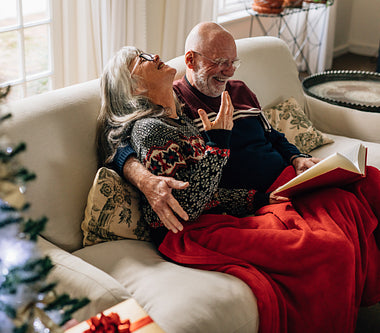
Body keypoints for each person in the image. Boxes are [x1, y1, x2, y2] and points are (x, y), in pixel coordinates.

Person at [98, 46, 380, 333]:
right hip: (192, 233)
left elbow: (207, 192)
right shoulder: (151, 128)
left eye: (233, 61)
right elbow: (188, 208)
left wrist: (257, 198)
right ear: (134, 87)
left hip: (219, 217)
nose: (155, 56)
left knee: (346, 205)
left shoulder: (178, 116)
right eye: (142, 60)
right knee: (328, 247)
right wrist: (217, 144)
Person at [112, 22, 321, 233]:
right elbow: (120, 131)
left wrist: (297, 158)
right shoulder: (172, 106)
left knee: (351, 191)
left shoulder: (239, 90)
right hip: (251, 202)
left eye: (233, 62)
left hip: (285, 181)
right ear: (190, 60)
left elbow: (272, 136)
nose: (229, 71)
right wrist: (141, 177)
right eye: (221, 62)